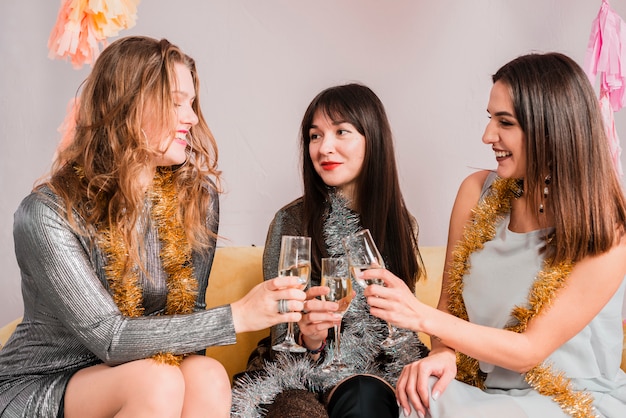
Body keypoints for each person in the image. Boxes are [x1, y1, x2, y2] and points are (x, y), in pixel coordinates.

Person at [0, 36, 307, 418]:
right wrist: (239, 316)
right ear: (127, 106)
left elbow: (188, 315)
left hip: (141, 375)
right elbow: (108, 337)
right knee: (155, 381)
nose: (192, 118)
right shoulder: (46, 213)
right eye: (176, 102)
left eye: (191, 103)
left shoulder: (195, 198)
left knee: (208, 375)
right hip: (45, 383)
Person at [362, 52, 626, 418]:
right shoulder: (476, 192)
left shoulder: (609, 231)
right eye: (490, 119)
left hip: (570, 401)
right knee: (417, 395)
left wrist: (417, 315)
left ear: (552, 128)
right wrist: (441, 353)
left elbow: (529, 350)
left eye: (505, 122)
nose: (488, 136)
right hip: (484, 393)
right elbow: (449, 309)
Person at [232, 83, 429, 417]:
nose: (325, 148)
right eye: (315, 136)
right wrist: (310, 337)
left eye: (341, 132)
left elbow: (398, 330)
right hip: (300, 373)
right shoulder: (290, 221)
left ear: (373, 140)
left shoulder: (401, 224)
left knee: (370, 393)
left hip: (378, 371)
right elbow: (284, 339)